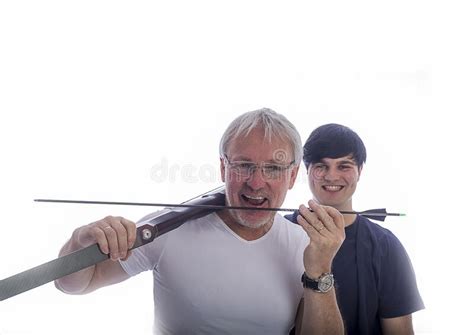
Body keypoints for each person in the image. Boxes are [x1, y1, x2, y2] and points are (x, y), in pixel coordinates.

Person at [55, 108, 346, 335]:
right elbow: (75, 284)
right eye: (243, 165)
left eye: (272, 168)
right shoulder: (168, 228)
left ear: (292, 176)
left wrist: (320, 269)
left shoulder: (303, 246)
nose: (256, 182)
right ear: (223, 167)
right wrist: (80, 239)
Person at [286, 123, 424, 335]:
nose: (331, 176)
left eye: (344, 166)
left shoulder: (386, 247)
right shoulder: (279, 233)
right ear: (307, 171)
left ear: (360, 171)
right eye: (321, 166)